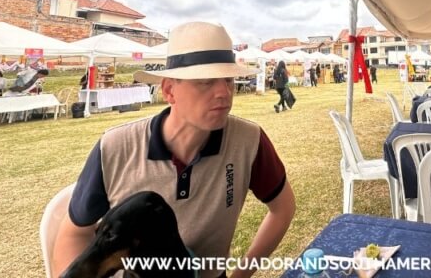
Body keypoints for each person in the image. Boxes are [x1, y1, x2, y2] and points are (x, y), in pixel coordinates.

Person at [53, 22, 295, 278]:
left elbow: (283, 209)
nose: (224, 92)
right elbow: (74, 233)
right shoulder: (115, 147)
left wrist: (240, 275)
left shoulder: (249, 141)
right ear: (169, 90)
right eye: (205, 81)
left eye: (228, 79)